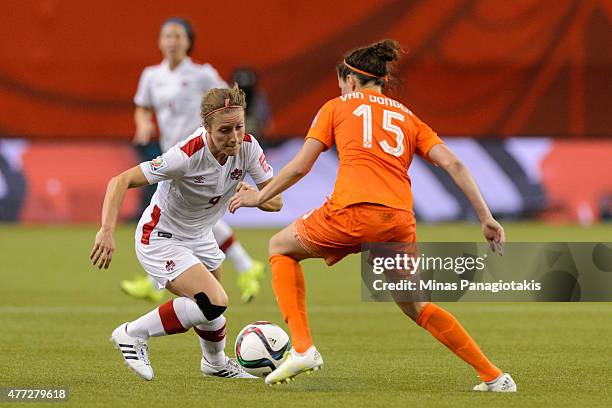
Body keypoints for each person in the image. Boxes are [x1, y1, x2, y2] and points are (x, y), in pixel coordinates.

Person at [229, 39, 517, 392]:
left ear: (350, 80)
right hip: (397, 219)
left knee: (280, 247)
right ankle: (493, 376)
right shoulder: (408, 117)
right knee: (417, 306)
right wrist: (486, 217)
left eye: (340, 83)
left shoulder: (337, 106)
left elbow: (302, 165)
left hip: (353, 210)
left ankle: (303, 348)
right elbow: (453, 163)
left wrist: (261, 196)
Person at [90, 86, 281, 380]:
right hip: (161, 237)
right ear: (206, 127)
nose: (233, 137)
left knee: (210, 310)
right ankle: (132, 333)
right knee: (214, 301)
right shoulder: (185, 155)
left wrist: (255, 196)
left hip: (200, 235)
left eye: (239, 127)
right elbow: (120, 180)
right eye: (224, 130)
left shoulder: (249, 147)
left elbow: (276, 201)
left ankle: (215, 364)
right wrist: (106, 230)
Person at [125, 17, 265, 304]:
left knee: (191, 217)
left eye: (178, 36)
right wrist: (143, 123)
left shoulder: (202, 74)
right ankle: (245, 266)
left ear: (188, 42)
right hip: (173, 157)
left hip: (204, 154)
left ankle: (158, 281)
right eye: (167, 36)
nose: (172, 41)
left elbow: (227, 101)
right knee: (189, 218)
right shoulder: (152, 75)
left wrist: (231, 128)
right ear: (159, 41)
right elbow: (142, 106)